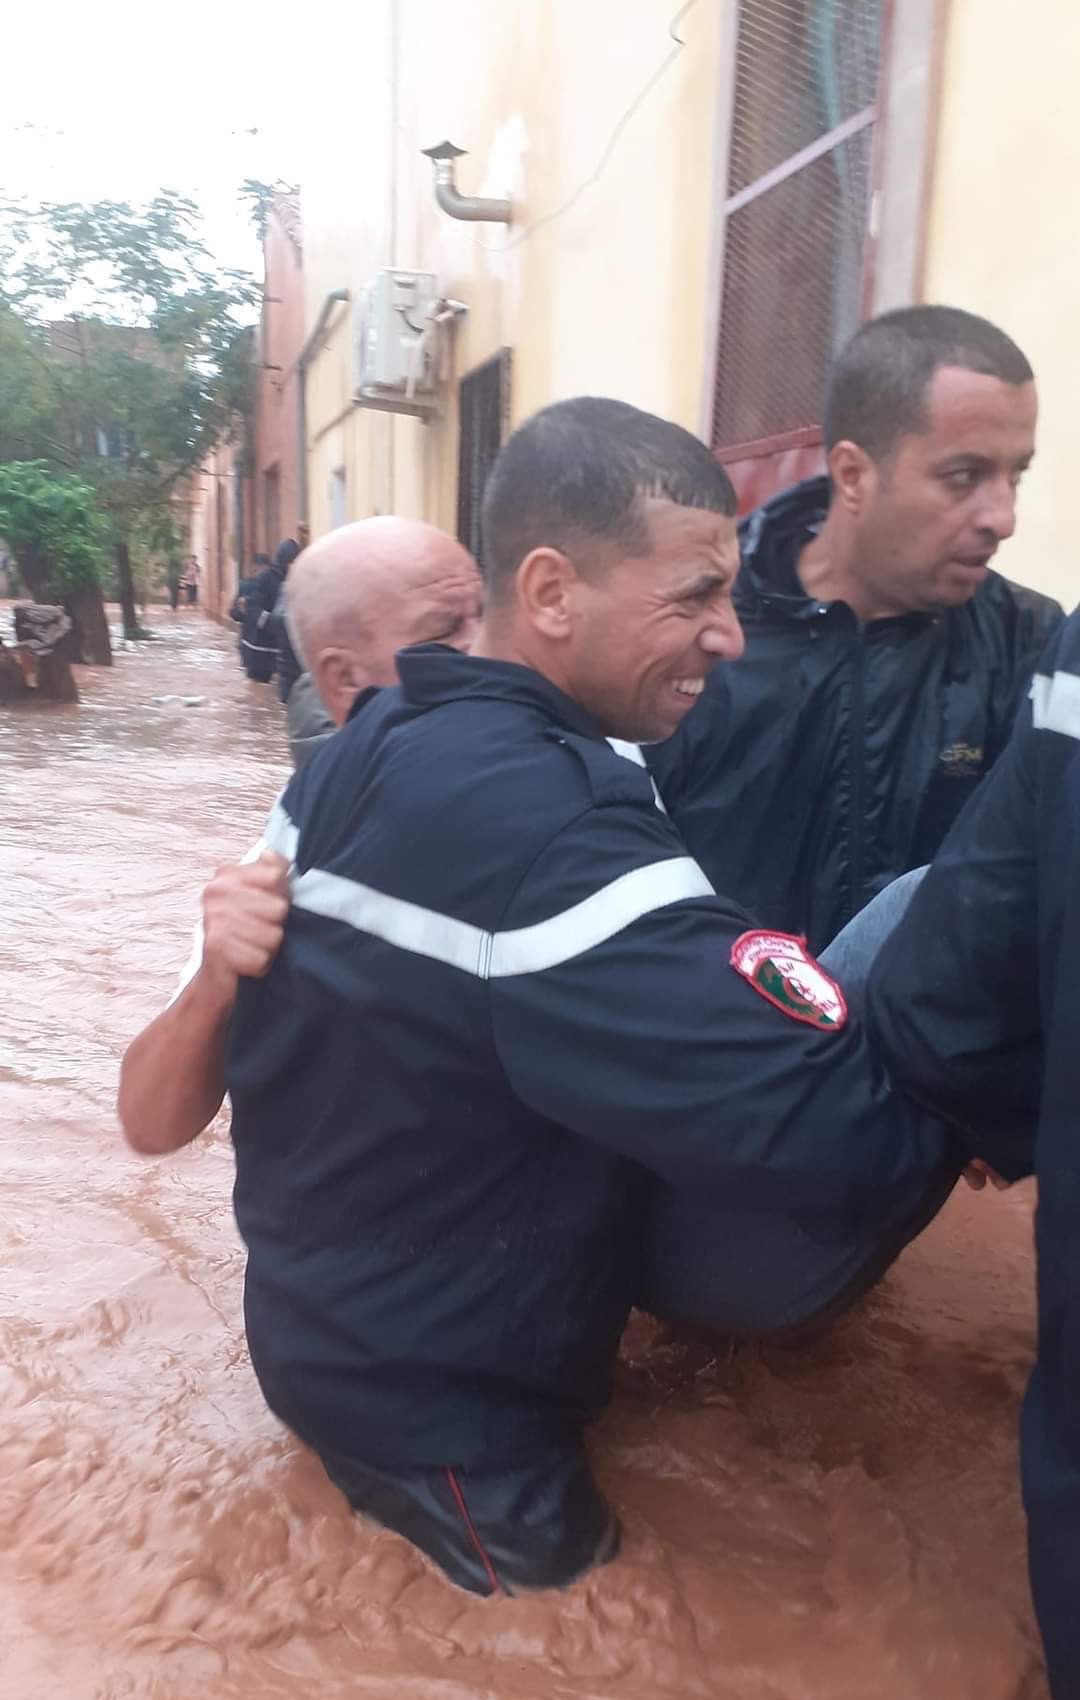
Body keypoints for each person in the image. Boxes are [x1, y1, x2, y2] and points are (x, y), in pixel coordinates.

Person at [135, 397, 957, 1599]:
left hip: (329, 1319)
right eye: (694, 599)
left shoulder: (361, 754)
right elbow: (848, 1148)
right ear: (555, 595)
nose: (731, 639)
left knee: (897, 933)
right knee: (588, 1643)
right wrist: (975, 1080)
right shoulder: (553, 828)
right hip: (443, 1415)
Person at [646, 306, 1062, 952]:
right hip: (714, 1040)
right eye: (965, 477)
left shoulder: (1031, 644)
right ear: (852, 474)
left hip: (920, 1049)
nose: (1003, 517)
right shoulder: (698, 631)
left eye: (1017, 475)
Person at [864, 607, 1080, 1700]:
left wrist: (1014, 1121)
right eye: (964, 474)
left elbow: (943, 988)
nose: (997, 513)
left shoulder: (1050, 650)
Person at [118, 516, 482, 1156]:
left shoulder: (584, 794)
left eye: (488, 616)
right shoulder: (283, 865)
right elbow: (151, 1124)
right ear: (343, 679)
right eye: (449, 629)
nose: (490, 649)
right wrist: (215, 979)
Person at [239, 539, 299, 683]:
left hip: (283, 650)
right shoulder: (265, 579)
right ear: (285, 560)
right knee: (259, 688)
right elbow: (251, 607)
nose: (295, 565)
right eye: (292, 561)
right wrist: (271, 621)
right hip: (260, 650)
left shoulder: (297, 579)